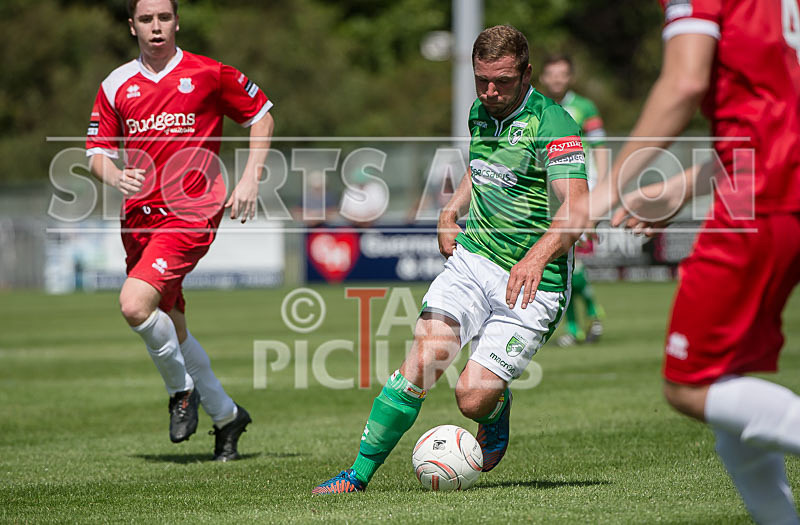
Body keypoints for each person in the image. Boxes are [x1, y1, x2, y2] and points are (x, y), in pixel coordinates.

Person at [527, 2, 800, 522]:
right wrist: (683, 185)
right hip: (768, 180)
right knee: (727, 382)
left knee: (689, 384)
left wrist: (605, 194)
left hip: (765, 196)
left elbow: (683, 83)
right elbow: (778, 119)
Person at [312, 25, 589, 494]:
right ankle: (356, 477)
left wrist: (537, 256)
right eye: (482, 79)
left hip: (533, 281)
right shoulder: (480, 111)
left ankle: (495, 411)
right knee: (424, 358)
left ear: (526, 74)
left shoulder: (554, 123)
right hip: (473, 258)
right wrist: (449, 209)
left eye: (501, 80)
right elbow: (483, 167)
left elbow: (577, 208)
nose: (490, 91)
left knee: (471, 396)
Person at [85, 0, 275, 461]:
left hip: (192, 210)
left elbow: (261, 114)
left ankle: (180, 391)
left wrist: (251, 175)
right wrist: (114, 176)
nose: (156, 27)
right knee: (173, 327)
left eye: (164, 18)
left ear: (176, 22)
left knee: (134, 304)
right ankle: (228, 416)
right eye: (146, 19)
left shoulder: (208, 73)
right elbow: (96, 153)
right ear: (132, 26)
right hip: (138, 218)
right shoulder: (116, 84)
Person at [538, 54, 607, 347]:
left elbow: (600, 147)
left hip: (580, 193)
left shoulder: (584, 107)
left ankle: (578, 326)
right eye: (551, 74)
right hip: (545, 195)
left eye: (562, 74)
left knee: (568, 260)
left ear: (570, 77)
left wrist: (602, 190)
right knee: (565, 261)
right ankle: (590, 312)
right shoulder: (535, 108)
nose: (556, 79)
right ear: (542, 77)